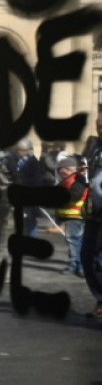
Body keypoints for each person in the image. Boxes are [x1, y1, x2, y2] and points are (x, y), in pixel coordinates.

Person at [84, 115, 102, 318]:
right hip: (94, 212)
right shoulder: (95, 147)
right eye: (99, 127)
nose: (101, 130)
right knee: (88, 257)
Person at [56, 156, 86, 277]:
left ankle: (78, 265)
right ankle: (75, 264)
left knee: (74, 241)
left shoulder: (76, 180)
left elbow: (75, 196)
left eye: (61, 169)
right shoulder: (67, 180)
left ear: (68, 169)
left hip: (74, 215)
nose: (59, 172)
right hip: (70, 215)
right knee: (74, 241)